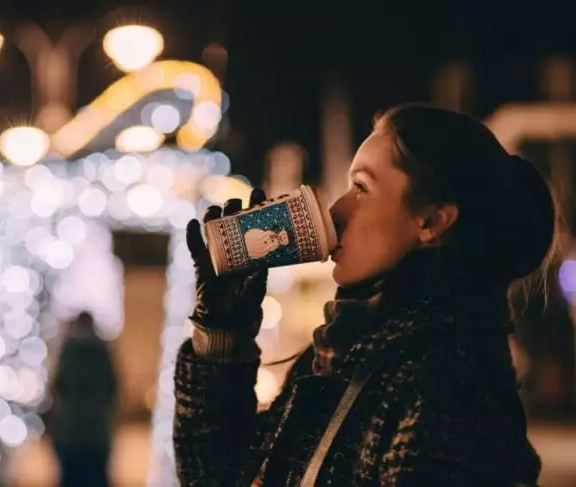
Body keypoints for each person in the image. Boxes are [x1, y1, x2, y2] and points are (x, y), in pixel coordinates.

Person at [173, 104, 556, 486]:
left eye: (361, 187)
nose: (337, 209)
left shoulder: (444, 385)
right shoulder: (348, 352)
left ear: (431, 222)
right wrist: (223, 335)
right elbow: (220, 477)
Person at [46, 311, 117, 487]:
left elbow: (57, 388)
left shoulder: (69, 352)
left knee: (71, 477)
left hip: (72, 433)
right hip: (96, 432)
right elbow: (112, 388)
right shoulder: (101, 352)